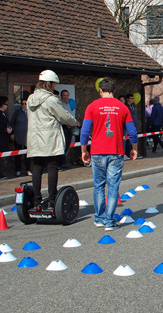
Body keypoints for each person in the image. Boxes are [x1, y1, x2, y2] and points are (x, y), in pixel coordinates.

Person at [80, 77, 138, 231]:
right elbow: (132, 131)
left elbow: (85, 131)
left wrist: (83, 150)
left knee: (98, 185)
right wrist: (134, 148)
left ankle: (99, 218)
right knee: (113, 187)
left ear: (100, 90)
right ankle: (109, 221)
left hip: (97, 151)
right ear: (114, 90)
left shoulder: (92, 106)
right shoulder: (122, 107)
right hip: (116, 151)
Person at [27, 70, 78, 210]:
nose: (55, 87)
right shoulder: (51, 99)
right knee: (52, 167)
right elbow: (64, 116)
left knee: (37, 168)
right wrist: (74, 122)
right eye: (54, 84)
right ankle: (52, 199)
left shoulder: (31, 98)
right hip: (49, 137)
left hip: (34, 137)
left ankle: (36, 200)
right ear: (49, 84)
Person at [11, 98, 31, 176]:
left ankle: (28, 169)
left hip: (28, 136)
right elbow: (12, 123)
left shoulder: (31, 113)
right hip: (19, 135)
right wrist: (12, 133)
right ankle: (18, 169)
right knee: (18, 154)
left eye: (25, 104)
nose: (24, 105)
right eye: (22, 104)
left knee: (28, 155)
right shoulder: (17, 113)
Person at [59, 89, 74, 169]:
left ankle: (64, 162)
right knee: (62, 146)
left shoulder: (68, 104)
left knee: (67, 145)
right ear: (61, 96)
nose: (66, 97)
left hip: (69, 128)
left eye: (67, 95)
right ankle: (61, 164)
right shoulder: (60, 104)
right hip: (63, 127)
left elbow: (69, 116)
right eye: (64, 95)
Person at [124, 93, 138, 159]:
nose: (132, 100)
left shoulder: (133, 106)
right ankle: (124, 154)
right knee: (125, 140)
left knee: (130, 140)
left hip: (133, 124)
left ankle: (130, 152)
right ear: (127, 99)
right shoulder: (126, 107)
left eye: (133, 98)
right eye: (131, 98)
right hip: (126, 125)